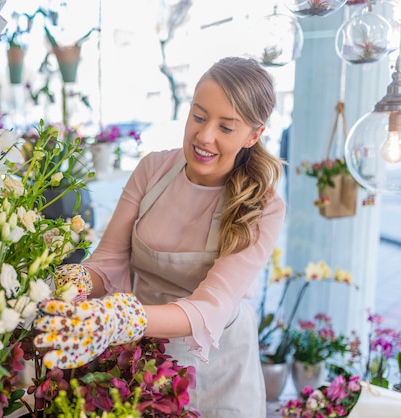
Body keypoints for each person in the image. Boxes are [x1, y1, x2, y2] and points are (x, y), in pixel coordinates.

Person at [34, 56, 286, 417]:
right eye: (198, 116)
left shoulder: (262, 207)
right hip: (143, 355)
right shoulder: (154, 168)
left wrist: (118, 318)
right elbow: (108, 261)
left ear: (254, 134)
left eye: (226, 128)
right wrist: (65, 284)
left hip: (218, 365)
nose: (204, 136)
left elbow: (210, 305)